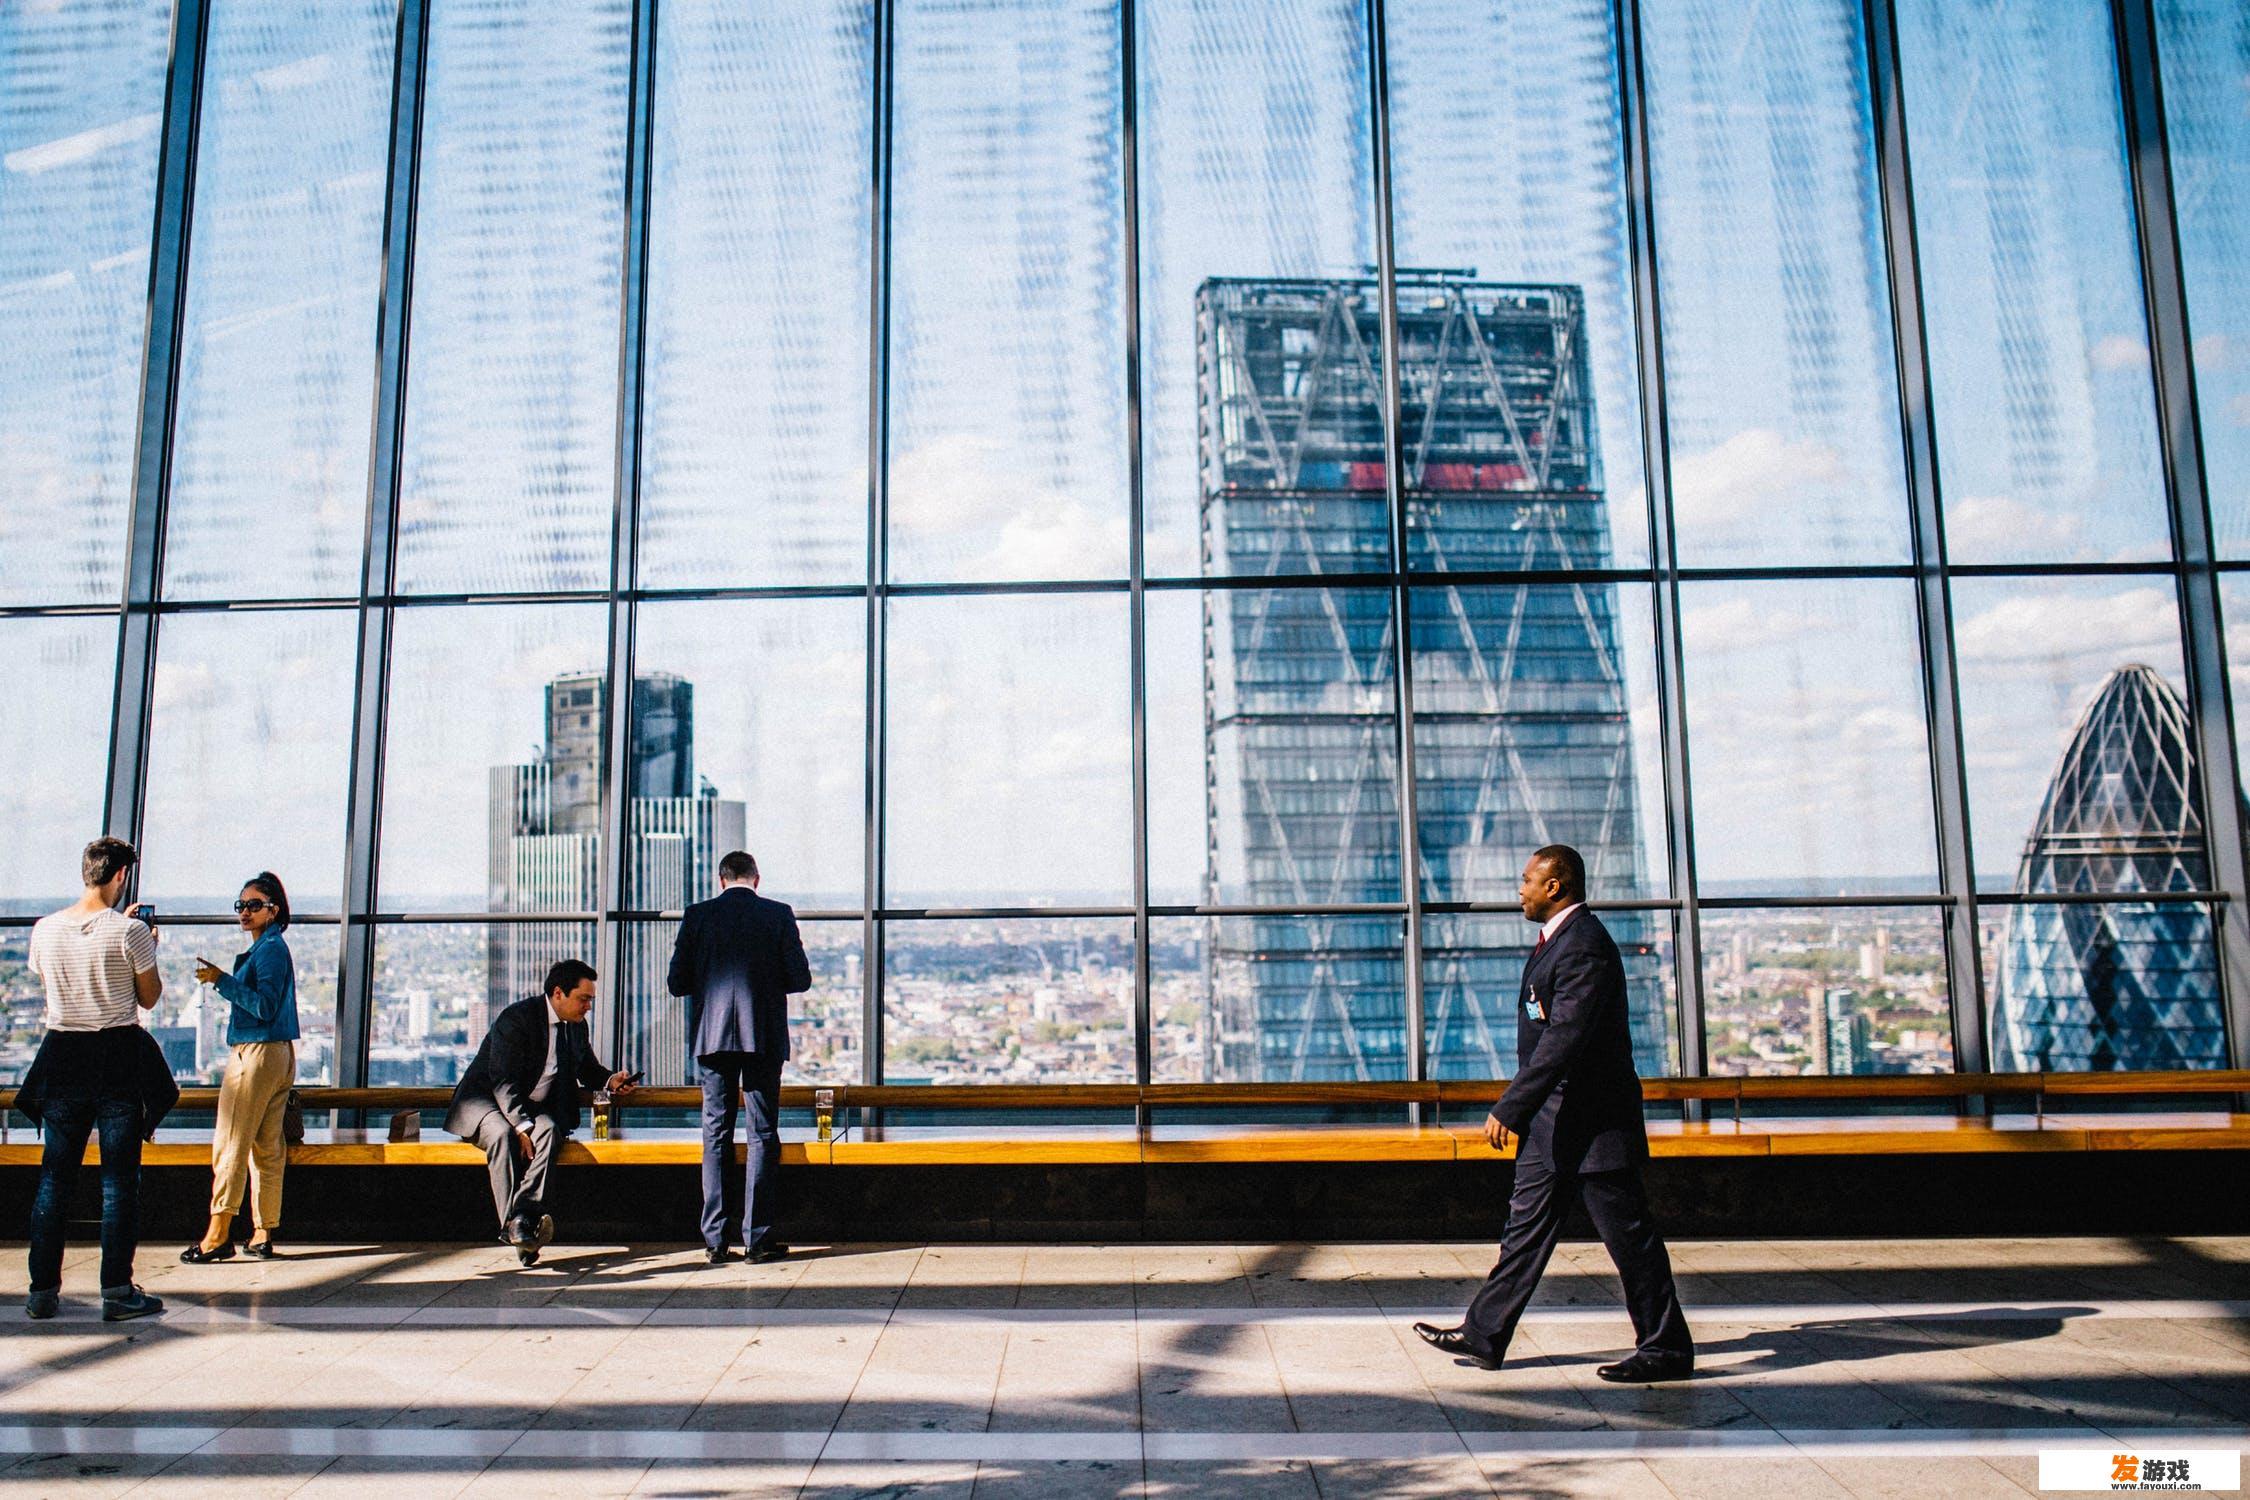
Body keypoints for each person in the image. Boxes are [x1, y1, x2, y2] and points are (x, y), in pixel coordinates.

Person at [1415, 844, 1695, 1382]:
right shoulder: (1558, 942)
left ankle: (1666, 1349)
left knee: (1630, 1240)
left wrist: (1512, 1105)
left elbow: (1565, 1038)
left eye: (1526, 881)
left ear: (1555, 886)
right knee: (1523, 1232)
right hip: (1553, 1124)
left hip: (1592, 1125)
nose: (1518, 890)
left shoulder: (1583, 946)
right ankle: (1483, 1333)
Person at [20, 837, 170, 1322]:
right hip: (117, 1060)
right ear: (122, 877)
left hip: (62, 1056)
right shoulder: (128, 933)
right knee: (118, 1182)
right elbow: (148, 999)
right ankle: (117, 1290)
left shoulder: (44, 931)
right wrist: (146, 946)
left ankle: (42, 1290)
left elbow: (50, 986)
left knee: (54, 1178)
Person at [666, 850, 811, 1265]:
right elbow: (800, 979)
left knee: (715, 1133)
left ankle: (715, 1240)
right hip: (762, 1036)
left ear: (720, 880)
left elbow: (677, 983)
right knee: (762, 1133)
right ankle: (758, 1239)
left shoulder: (697, 916)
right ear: (757, 879)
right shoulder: (778, 914)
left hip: (712, 1038)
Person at [444, 958, 637, 1265]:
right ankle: (520, 1226)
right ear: (558, 993)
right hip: (485, 1102)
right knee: (503, 1134)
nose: (588, 1006)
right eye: (583, 998)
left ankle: (521, 1221)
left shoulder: (576, 1027)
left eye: (590, 1000)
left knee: (549, 1130)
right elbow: (502, 1081)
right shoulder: (517, 1019)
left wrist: (610, 1080)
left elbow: (587, 1067)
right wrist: (521, 1126)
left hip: (531, 1107)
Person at [182, 872, 300, 1263]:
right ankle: (263, 1231)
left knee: (231, 1142)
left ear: (274, 910)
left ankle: (217, 1234)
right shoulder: (271, 949)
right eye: (241, 906)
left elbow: (263, 1006)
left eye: (254, 905)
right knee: (266, 1147)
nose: (245, 912)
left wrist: (221, 981)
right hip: (277, 1054)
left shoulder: (269, 951)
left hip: (256, 1054)